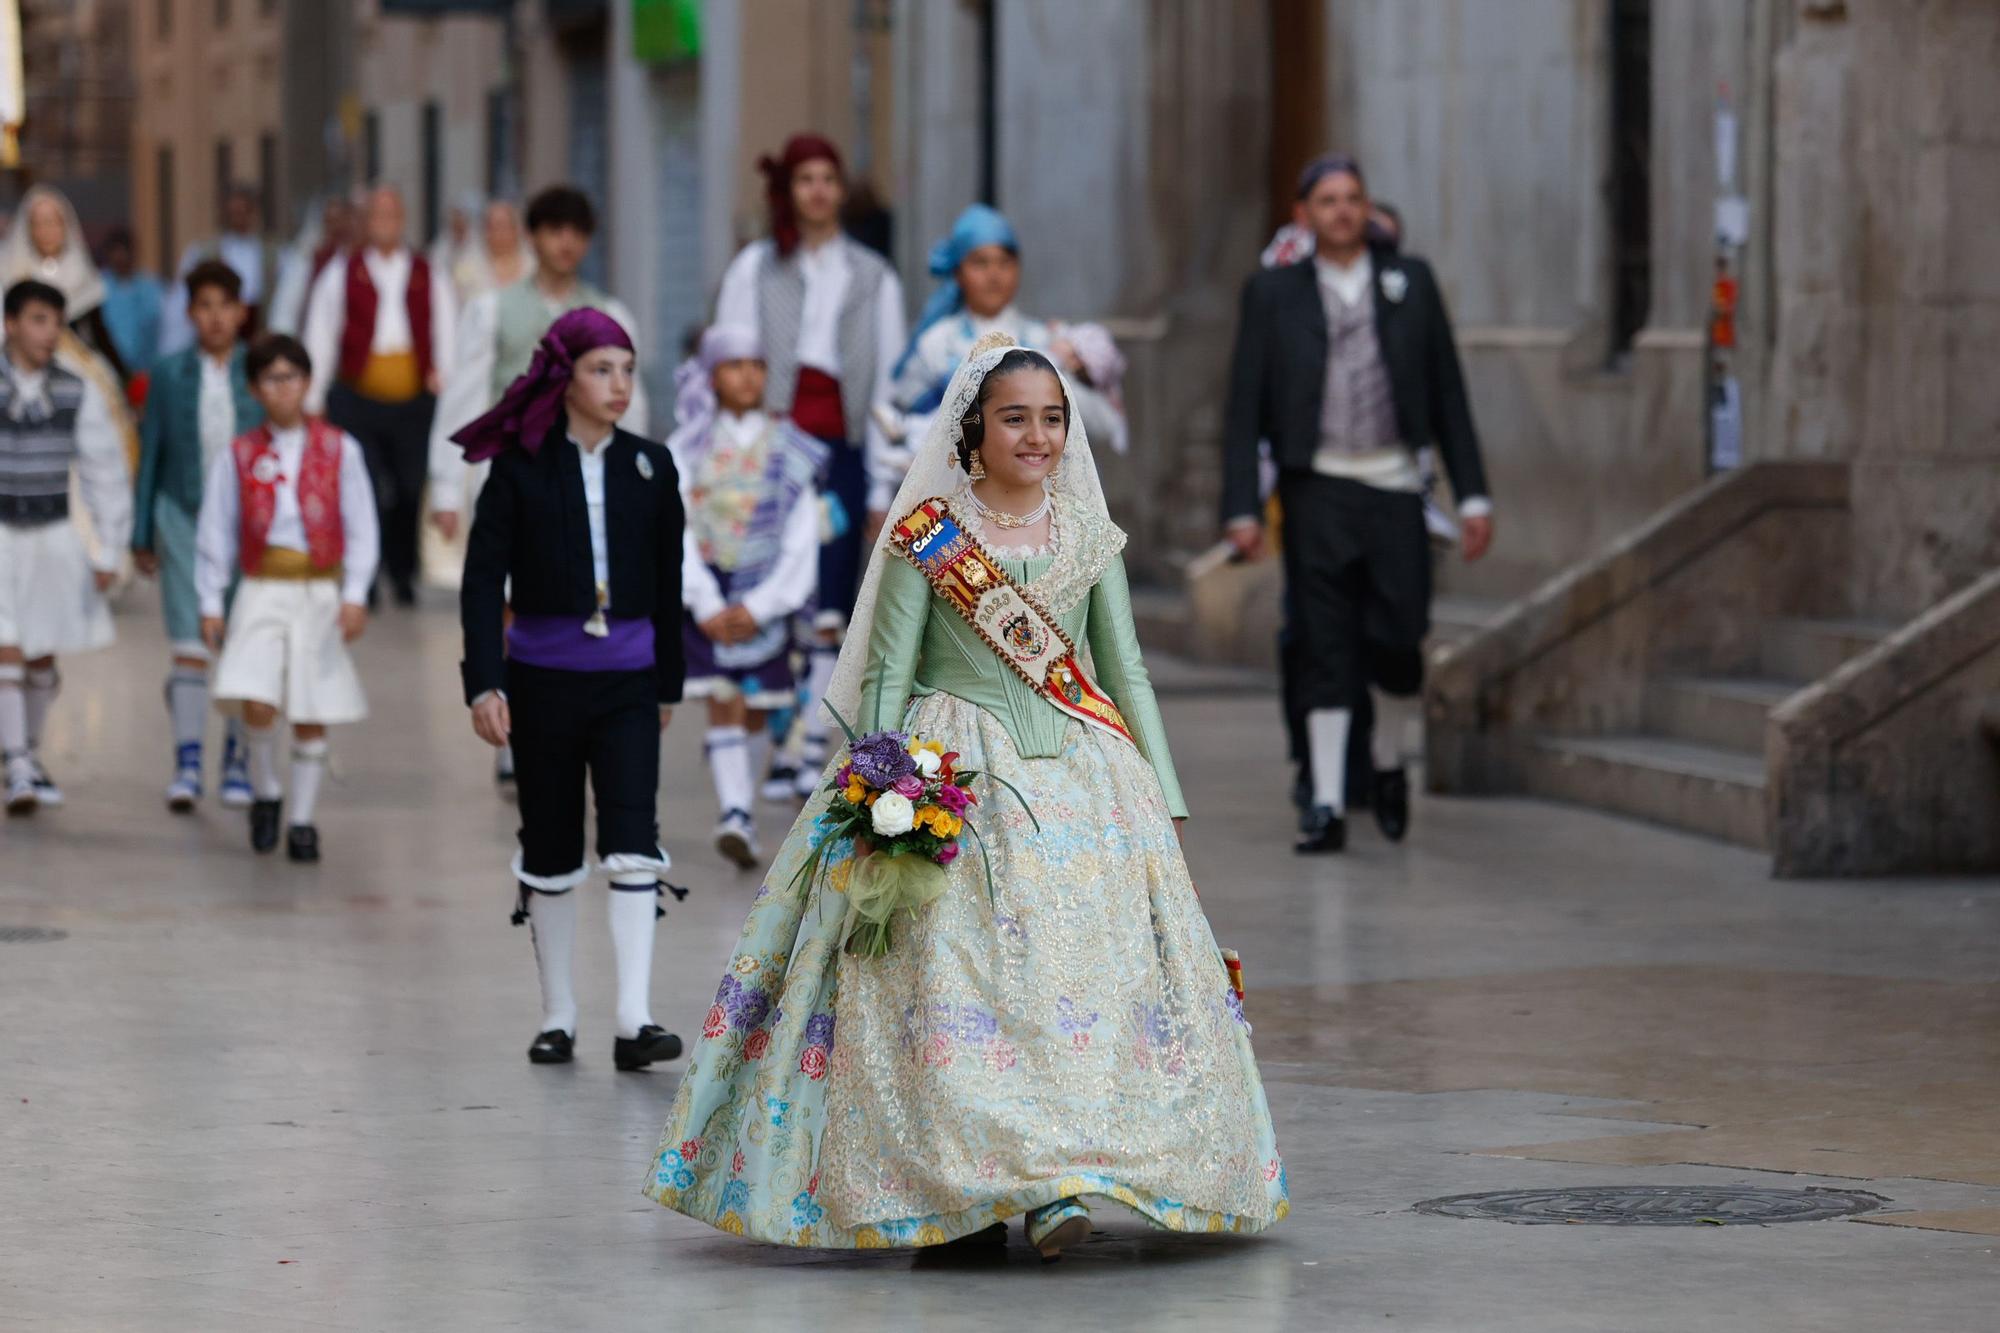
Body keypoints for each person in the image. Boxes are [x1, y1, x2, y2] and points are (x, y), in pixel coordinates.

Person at [643, 333, 1287, 1256]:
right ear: (973, 430)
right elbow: (885, 682)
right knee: (965, 983)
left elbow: (1126, 669)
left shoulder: (1091, 537)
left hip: (1086, 778)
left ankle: (1063, 1177)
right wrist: (877, 789)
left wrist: (1165, 792)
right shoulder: (928, 538)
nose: (1037, 436)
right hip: (957, 775)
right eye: (1015, 418)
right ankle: (970, 1184)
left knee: (1081, 984)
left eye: (1053, 419)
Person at [1221, 154, 1493, 853]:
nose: (1343, 210)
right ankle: (1330, 802)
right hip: (1317, 487)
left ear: (1368, 210)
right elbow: (1244, 403)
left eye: (1354, 199)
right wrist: (1242, 506)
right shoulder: (1273, 293)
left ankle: (1389, 760)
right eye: (1328, 200)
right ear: (1304, 213)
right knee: (1323, 642)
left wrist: (1473, 496)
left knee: (1400, 637)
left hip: (1396, 484)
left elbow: (1448, 394)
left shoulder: (1412, 283)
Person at [455, 308, 686, 1073]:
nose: (619, 385)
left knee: (632, 837)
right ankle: (557, 1014)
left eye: (627, 368)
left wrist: (669, 684)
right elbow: (483, 579)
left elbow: (668, 582)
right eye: (601, 369)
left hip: (628, 680)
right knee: (549, 843)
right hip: (542, 682)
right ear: (563, 378)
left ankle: (634, 1017)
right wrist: (484, 680)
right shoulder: (519, 468)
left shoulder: (653, 465)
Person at [428, 184, 646, 791]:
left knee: (572, 594)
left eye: (576, 231)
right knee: (507, 598)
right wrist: (446, 488)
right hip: (515, 476)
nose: (565, 242)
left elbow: (635, 404)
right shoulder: (494, 310)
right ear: (534, 236)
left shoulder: (610, 314)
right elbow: (464, 395)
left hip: (590, 473)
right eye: (554, 229)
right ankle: (509, 721)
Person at [714, 134, 905, 800]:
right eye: (806, 179)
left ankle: (811, 748)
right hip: (773, 449)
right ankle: (782, 737)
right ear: (787, 190)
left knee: (831, 594)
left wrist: (884, 480)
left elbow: (888, 384)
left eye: (829, 177)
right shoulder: (755, 269)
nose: (818, 191)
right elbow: (732, 358)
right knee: (773, 592)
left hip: (844, 448)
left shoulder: (874, 276)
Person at [195, 335, 378, 862]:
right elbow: (217, 529)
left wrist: (355, 593)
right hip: (262, 587)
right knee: (256, 694)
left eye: (293, 377)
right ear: (255, 389)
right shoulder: (241, 453)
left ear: (307, 381)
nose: (284, 389)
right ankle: (267, 789)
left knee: (310, 703)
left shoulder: (340, 448)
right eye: (272, 379)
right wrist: (211, 599)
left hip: (319, 588)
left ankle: (301, 819)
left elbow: (361, 525)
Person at [668, 325, 824, 869]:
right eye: (733, 365)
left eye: (756, 364)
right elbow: (674, 527)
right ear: (711, 375)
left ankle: (743, 803)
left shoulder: (793, 448)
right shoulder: (687, 446)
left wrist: (762, 605)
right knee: (724, 698)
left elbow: (802, 539)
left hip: (765, 601)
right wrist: (704, 600)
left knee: (756, 710)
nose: (747, 375)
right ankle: (735, 811)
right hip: (710, 597)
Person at [885, 203, 1128, 527]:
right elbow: (901, 425)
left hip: (1036, 510)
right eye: (980, 263)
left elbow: (1104, 424)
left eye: (1004, 262)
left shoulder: (1045, 341)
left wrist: (1056, 376)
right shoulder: (936, 345)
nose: (994, 274)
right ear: (958, 272)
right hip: (953, 514)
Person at [133, 260, 263, 811]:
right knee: (189, 642)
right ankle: (187, 761)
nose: (214, 318)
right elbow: (151, 453)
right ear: (189, 313)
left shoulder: (258, 371)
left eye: (224, 307)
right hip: (182, 516)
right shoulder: (167, 374)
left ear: (240, 313)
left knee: (238, 643)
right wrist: (141, 532)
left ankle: (236, 759)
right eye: (204, 306)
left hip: (247, 526)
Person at [0, 280, 132, 812]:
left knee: (41, 655)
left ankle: (26, 751)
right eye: (36, 320)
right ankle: (16, 764)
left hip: (52, 534)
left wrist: (108, 548)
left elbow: (104, 470)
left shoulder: (76, 389)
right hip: (2, 533)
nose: (48, 332)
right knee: (6, 647)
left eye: (55, 321)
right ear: (10, 324)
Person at [302, 183, 456, 608]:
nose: (384, 223)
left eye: (392, 214)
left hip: (412, 400)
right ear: (367, 222)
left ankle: (402, 570)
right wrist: (313, 396)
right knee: (364, 486)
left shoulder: (428, 271)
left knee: (409, 487)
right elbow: (322, 332)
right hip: (358, 397)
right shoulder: (343, 271)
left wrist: (444, 374)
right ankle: (364, 577)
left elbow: (444, 326)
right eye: (377, 215)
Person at [164, 185, 282, 353]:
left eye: (244, 211)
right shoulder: (203, 251)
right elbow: (180, 302)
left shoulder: (275, 253)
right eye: (234, 213)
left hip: (259, 334)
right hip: (212, 335)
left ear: (254, 212)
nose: (239, 218)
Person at [266, 195, 357, 338]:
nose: (337, 228)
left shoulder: (357, 262)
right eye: (331, 222)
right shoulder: (305, 261)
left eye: (340, 221)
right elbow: (285, 313)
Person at [97, 227, 165, 378]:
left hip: (145, 372)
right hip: (106, 370)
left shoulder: (151, 287)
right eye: (116, 252)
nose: (121, 257)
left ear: (134, 253)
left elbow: (157, 331)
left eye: (125, 251)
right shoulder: (98, 287)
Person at [450, 199, 534, 305]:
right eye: (492, 227)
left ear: (516, 229)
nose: (498, 233)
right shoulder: (467, 266)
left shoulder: (532, 265)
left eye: (503, 226)